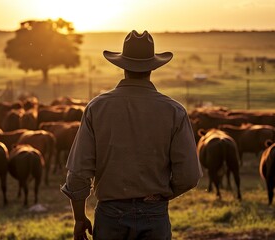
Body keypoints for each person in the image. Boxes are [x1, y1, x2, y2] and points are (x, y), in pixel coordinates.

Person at [61, 30, 203, 240]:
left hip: (110, 217)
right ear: (152, 68)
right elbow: (190, 176)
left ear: (122, 66)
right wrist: (162, 195)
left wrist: (80, 218)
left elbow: (78, 174)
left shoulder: (97, 108)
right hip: (154, 217)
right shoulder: (174, 111)